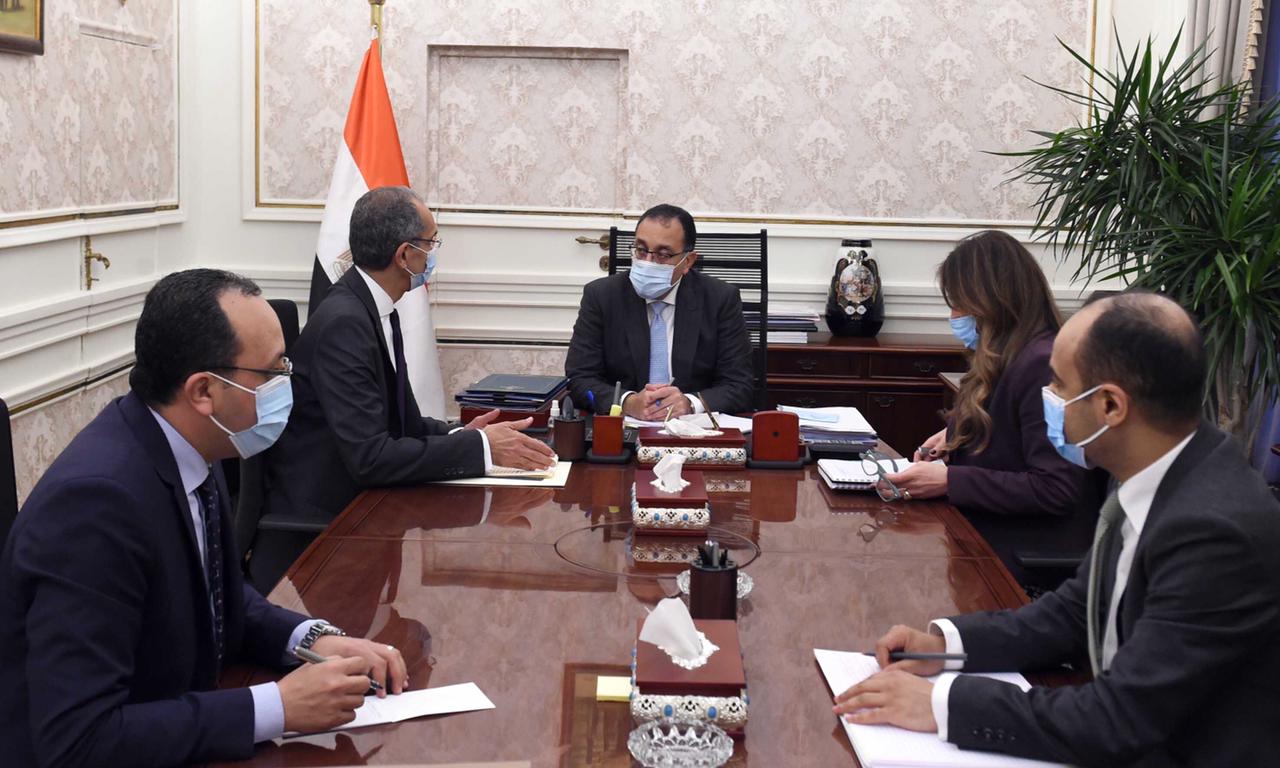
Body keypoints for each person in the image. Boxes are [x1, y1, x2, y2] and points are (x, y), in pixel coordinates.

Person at [833, 292, 1280, 766]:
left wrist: (942, 705)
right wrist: (945, 647)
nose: (1049, 398)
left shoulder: (1214, 531)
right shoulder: (1158, 468)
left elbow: (1119, 719)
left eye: (1060, 386)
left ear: (1111, 406)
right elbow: (1077, 612)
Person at [0, 270, 408, 767]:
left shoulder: (190, 446)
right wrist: (275, 707)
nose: (288, 382)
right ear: (203, 392)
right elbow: (79, 740)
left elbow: (220, 599)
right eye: (273, 372)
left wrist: (315, 639)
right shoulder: (95, 506)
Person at [263, 186, 555, 526]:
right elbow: (370, 457)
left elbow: (404, 424)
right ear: (404, 255)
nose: (432, 254)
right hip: (330, 522)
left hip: (367, 503)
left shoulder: (375, 308)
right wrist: (483, 447)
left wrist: (463, 434)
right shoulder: (344, 324)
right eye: (431, 243)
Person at [885, 230, 1104, 588]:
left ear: (990, 303)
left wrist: (949, 480)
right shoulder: (1012, 355)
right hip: (985, 537)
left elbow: (1054, 488)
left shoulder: (1042, 364)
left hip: (1022, 560)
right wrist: (955, 435)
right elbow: (1009, 435)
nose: (954, 317)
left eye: (959, 305)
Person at [565, 203, 754, 418]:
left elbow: (740, 385)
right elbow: (579, 378)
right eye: (641, 250)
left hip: (693, 428)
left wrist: (690, 403)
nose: (648, 262)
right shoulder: (601, 296)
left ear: (687, 261)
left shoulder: (720, 299)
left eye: (663, 254)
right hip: (622, 429)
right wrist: (628, 402)